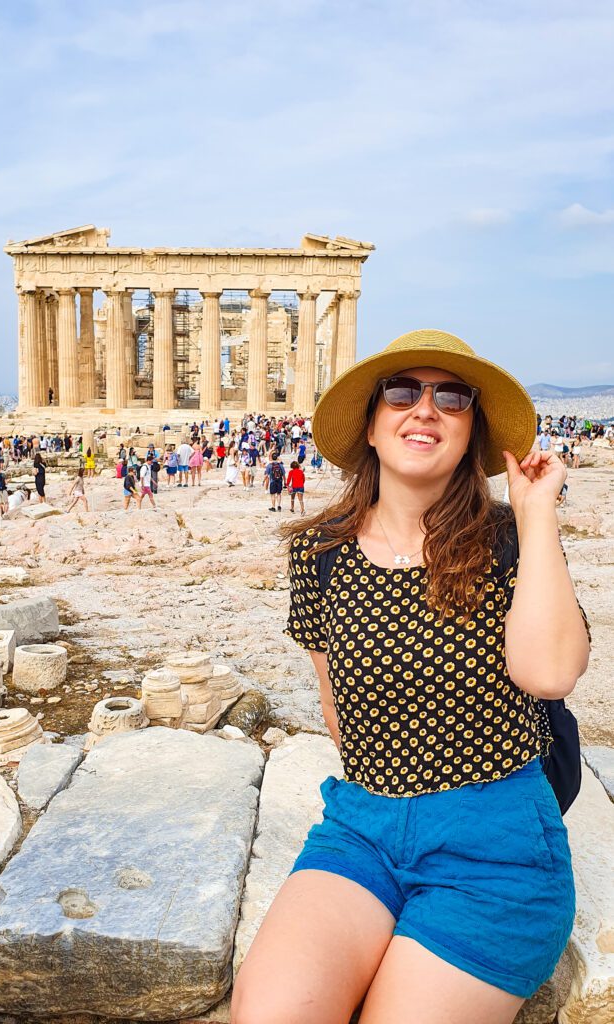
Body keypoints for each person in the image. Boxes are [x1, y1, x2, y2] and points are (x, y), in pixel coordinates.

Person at [233, 330, 590, 1024]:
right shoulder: (319, 553)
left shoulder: (508, 539)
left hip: (495, 846)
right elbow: (336, 703)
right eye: (402, 392)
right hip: (361, 827)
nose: (424, 409)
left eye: (450, 399)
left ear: (470, 436)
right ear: (370, 424)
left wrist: (535, 512)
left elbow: (547, 675)